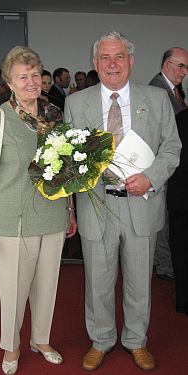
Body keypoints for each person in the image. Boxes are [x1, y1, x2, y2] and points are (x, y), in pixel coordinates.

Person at [64, 31, 181, 371]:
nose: (112, 64)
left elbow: (172, 148)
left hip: (142, 203)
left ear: (131, 61)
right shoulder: (77, 102)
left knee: (138, 281)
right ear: (94, 63)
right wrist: (73, 195)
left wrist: (151, 177)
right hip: (96, 205)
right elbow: (69, 158)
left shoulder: (157, 99)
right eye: (104, 58)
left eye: (118, 57)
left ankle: (135, 340)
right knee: (97, 282)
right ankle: (101, 340)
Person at [0, 46, 77, 375]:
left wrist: (70, 211)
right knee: (14, 292)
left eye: (36, 75)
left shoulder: (54, 115)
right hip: (12, 220)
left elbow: (65, 169)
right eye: (24, 76)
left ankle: (40, 339)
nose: (32, 82)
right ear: (9, 81)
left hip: (52, 215)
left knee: (48, 285)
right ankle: (12, 346)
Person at [149, 47, 188, 280]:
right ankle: (164, 266)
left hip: (174, 165)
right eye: (181, 66)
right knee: (163, 218)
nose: (185, 72)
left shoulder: (172, 90)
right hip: (163, 164)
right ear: (167, 65)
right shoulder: (157, 89)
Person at [167, 107, 188, 316]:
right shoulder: (180, 118)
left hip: (180, 198)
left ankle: (183, 300)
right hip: (180, 198)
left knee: (181, 253)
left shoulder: (180, 119)